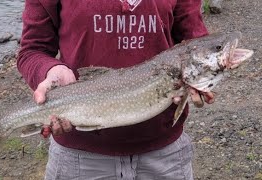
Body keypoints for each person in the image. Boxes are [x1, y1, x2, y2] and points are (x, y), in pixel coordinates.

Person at [17, 0, 215, 179]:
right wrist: (49, 70)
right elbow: (33, 50)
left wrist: (201, 79)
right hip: (77, 158)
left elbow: (194, 41)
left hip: (165, 156)